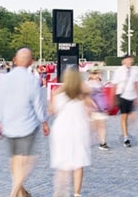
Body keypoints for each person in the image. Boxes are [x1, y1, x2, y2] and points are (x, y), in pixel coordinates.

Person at [0, 47, 50, 197]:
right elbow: (38, 103)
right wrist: (44, 121)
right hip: (27, 126)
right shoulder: (32, 80)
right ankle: (14, 193)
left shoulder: (5, 79)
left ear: (15, 60)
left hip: (9, 125)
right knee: (26, 163)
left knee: (15, 162)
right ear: (31, 62)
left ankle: (22, 194)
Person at [49, 66, 93, 197]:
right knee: (78, 164)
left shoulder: (57, 92)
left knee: (63, 164)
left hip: (61, 129)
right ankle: (76, 193)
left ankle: (60, 192)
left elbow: (52, 111)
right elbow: (89, 110)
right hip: (79, 129)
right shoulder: (83, 93)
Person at [111, 54, 138, 147]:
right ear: (123, 61)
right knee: (124, 116)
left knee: (132, 116)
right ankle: (125, 137)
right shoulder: (119, 71)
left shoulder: (134, 70)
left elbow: (136, 84)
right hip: (122, 95)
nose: (130, 62)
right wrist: (113, 99)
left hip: (131, 95)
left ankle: (126, 130)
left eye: (131, 60)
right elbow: (114, 85)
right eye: (128, 60)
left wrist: (137, 97)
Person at [85, 68, 110, 151]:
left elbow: (102, 94)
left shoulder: (99, 83)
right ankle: (86, 141)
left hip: (101, 107)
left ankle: (103, 142)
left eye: (99, 74)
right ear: (91, 75)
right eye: (96, 74)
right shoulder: (88, 83)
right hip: (92, 107)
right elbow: (86, 96)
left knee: (102, 125)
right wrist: (92, 104)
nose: (98, 75)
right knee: (92, 127)